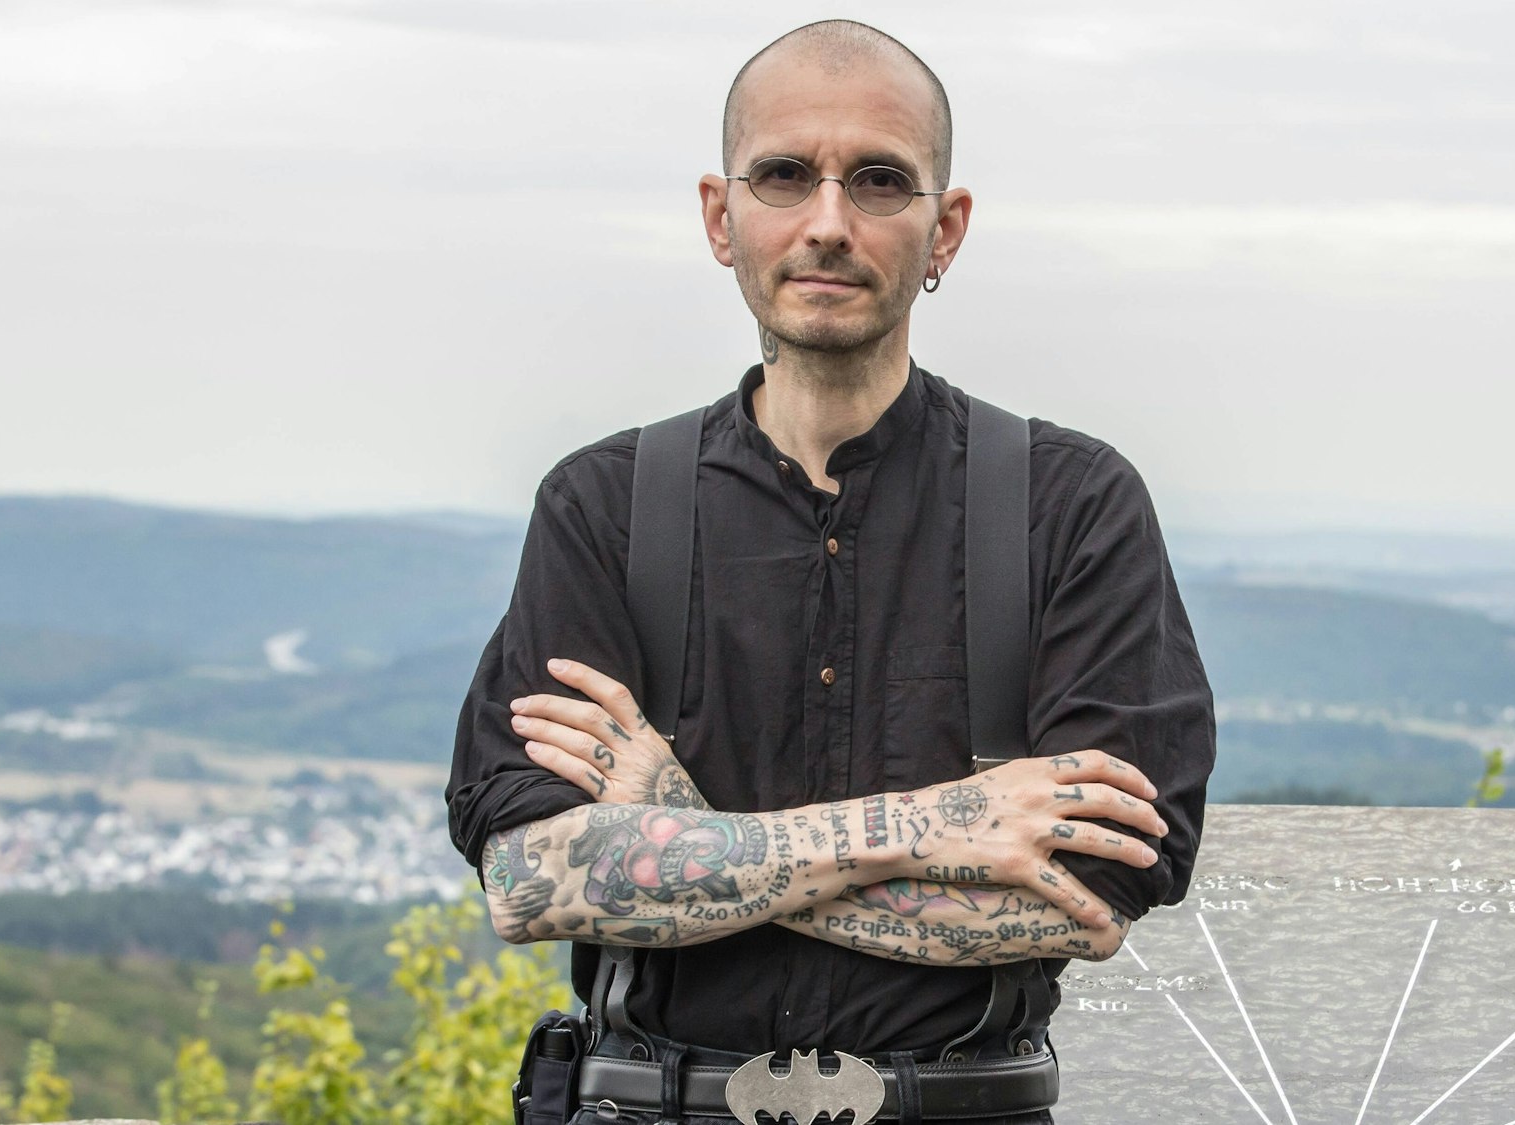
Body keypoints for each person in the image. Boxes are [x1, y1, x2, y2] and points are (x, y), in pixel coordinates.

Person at [447, 19, 1214, 1124]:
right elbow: (529, 879)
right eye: (784, 176)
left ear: (944, 230)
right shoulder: (602, 507)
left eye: (878, 182)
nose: (826, 222)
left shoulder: (1069, 504)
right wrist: (934, 827)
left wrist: (677, 831)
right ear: (723, 217)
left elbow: (1091, 892)